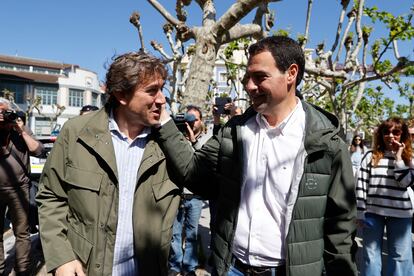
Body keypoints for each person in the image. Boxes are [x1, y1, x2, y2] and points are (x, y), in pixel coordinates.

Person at [157, 36, 357, 276]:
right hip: (232, 269)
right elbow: (193, 173)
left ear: (291, 73)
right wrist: (163, 121)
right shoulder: (234, 131)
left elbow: (341, 225)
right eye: (247, 78)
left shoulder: (326, 141)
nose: (249, 86)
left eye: (260, 77)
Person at [37, 51, 183, 276]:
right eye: (152, 91)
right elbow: (51, 196)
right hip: (85, 269)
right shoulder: (76, 133)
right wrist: (62, 257)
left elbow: (200, 178)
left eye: (162, 89)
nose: (162, 99)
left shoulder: (169, 142)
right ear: (121, 95)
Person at [356, 117, 414, 276]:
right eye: (386, 132)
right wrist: (360, 212)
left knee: (401, 257)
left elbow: (405, 183)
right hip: (373, 213)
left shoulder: (409, 158)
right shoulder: (370, 156)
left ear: (402, 135)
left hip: (401, 214)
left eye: (396, 132)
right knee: (371, 254)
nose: (391, 136)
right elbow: (361, 184)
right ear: (381, 134)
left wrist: (399, 158)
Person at [0, 98, 44, 276]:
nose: (2, 115)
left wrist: (20, 130)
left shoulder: (20, 130)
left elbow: (38, 150)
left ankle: (22, 270)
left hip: (19, 189)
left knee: (22, 232)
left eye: (4, 111)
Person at [169, 105, 209, 276]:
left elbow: (204, 161)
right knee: (175, 233)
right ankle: (175, 265)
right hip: (177, 194)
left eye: (195, 119)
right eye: (188, 118)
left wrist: (193, 140)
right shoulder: (176, 138)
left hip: (195, 195)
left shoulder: (206, 139)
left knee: (192, 233)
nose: (191, 122)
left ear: (201, 122)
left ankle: (190, 267)